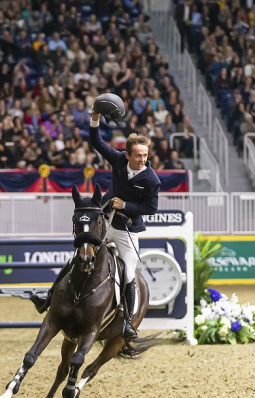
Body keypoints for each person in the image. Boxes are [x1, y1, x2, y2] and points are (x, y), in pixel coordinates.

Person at [30, 94, 161, 341]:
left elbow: (151, 209)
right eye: (138, 156)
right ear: (128, 154)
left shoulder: (152, 179)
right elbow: (96, 142)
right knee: (80, 254)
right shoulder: (119, 160)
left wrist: (127, 205)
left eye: (145, 156)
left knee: (129, 272)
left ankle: (128, 323)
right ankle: (48, 299)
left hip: (127, 232)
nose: (142, 160)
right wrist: (95, 119)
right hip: (106, 222)